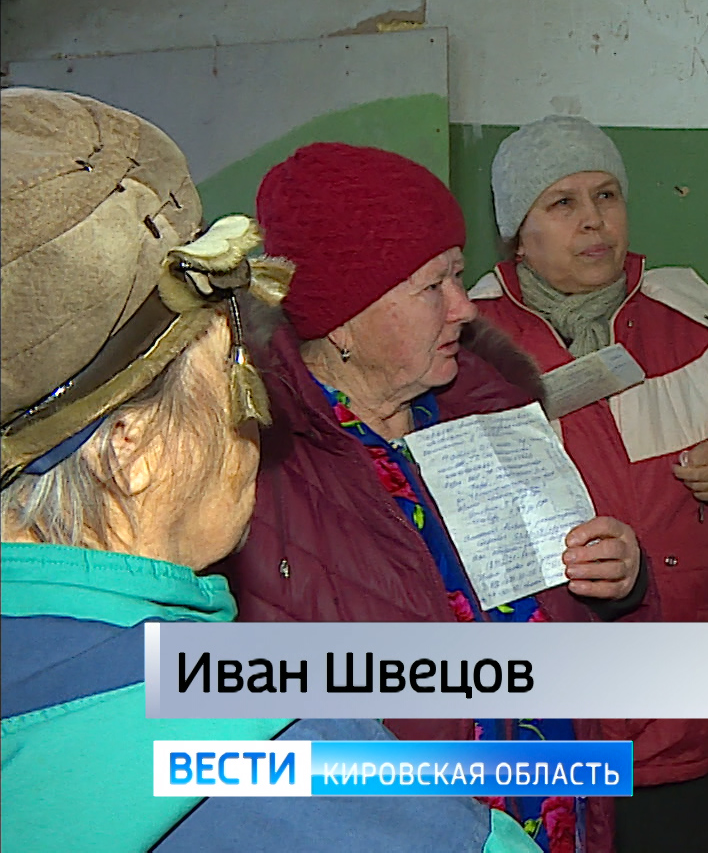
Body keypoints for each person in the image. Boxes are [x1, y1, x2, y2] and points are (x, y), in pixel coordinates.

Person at [0, 88, 541, 852]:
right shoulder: (281, 761)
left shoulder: (486, 414)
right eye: (231, 370)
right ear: (130, 447)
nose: (252, 415)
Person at [215, 141, 647, 852]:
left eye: (458, 275)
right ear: (344, 317)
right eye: (433, 286)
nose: (463, 308)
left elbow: (569, 619)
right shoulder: (256, 475)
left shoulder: (487, 410)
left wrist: (619, 581)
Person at [470, 115, 708, 853]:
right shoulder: (469, 339)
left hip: (678, 688)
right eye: (562, 203)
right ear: (517, 235)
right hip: (542, 697)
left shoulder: (688, 320)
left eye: (606, 195)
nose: (593, 220)